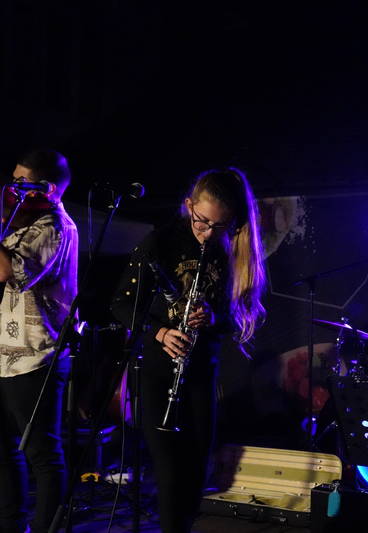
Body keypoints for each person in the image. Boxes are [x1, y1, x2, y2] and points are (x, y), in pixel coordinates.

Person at [111, 167, 265, 533]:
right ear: (188, 205)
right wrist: (161, 332)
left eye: (219, 226)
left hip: (200, 374)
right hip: (156, 370)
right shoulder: (159, 242)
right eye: (202, 221)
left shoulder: (231, 249)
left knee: (196, 472)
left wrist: (213, 316)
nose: (208, 232)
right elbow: (120, 304)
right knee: (169, 473)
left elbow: (237, 320)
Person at [0, 150, 78, 533]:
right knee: (4, 450)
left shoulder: (54, 226)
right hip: (5, 356)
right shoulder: (21, 220)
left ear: (46, 188)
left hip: (36, 357)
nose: (12, 188)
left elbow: (11, 273)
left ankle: (47, 528)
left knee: (42, 454)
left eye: (21, 182)